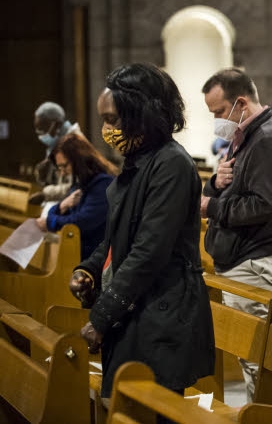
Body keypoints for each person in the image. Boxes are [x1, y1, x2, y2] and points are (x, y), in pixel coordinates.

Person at [67, 63, 215, 406]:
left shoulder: (171, 164)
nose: (105, 129)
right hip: (138, 308)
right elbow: (117, 236)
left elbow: (148, 251)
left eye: (113, 119)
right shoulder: (139, 161)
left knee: (152, 410)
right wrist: (89, 269)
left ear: (142, 115)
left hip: (160, 314)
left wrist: (101, 318)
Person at [200, 67, 272, 402]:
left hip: (255, 263)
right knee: (248, 359)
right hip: (241, 262)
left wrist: (210, 206)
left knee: (257, 362)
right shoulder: (246, 136)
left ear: (240, 102)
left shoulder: (267, 138)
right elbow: (236, 190)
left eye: (219, 112)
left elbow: (263, 206)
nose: (217, 121)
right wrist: (215, 184)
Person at [35, 133, 117, 259]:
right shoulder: (80, 183)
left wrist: (50, 222)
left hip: (97, 261)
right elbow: (55, 214)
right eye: (59, 168)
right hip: (79, 254)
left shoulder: (104, 185)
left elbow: (81, 223)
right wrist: (63, 205)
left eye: (64, 166)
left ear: (79, 159)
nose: (62, 173)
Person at [31, 101, 82, 204]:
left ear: (57, 124)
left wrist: (45, 194)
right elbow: (57, 181)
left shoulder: (75, 145)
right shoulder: (55, 144)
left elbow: (78, 187)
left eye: (42, 129)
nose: (40, 135)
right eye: (38, 130)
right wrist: (44, 176)